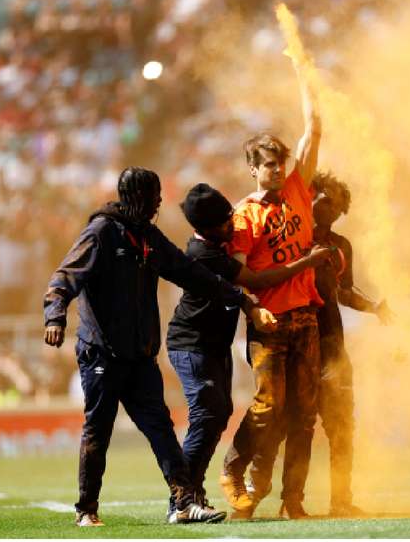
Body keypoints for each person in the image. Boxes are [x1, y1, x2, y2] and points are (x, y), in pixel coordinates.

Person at [43, 167, 277, 527]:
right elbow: (65, 276)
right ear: (137, 198)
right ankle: (86, 509)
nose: (159, 203)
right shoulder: (101, 233)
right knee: (98, 429)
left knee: (161, 429)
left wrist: (240, 299)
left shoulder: (148, 238)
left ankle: (183, 502)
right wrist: (55, 315)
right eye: (153, 196)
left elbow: (189, 272)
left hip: (139, 354)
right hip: (102, 353)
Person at [165, 183, 332, 514]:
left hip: (214, 344)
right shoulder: (205, 254)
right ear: (206, 228)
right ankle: (183, 498)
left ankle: (193, 494)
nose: (233, 225)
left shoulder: (220, 244)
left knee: (221, 413)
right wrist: (306, 262)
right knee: (208, 413)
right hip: (191, 343)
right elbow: (255, 282)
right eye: (225, 221)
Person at [250, 171, 393, 516]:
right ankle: (277, 499)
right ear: (308, 197)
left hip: (331, 346)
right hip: (291, 341)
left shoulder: (341, 247)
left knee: (341, 424)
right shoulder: (289, 237)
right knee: (291, 422)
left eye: (335, 205)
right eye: (322, 199)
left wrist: (373, 306)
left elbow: (343, 290)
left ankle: (340, 501)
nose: (326, 208)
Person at [220, 51, 324, 520]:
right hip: (268, 320)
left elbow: (314, 129)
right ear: (253, 168)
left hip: (305, 315)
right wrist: (249, 308)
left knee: (305, 414)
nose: (278, 170)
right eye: (268, 164)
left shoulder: (300, 188)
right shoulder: (245, 214)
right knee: (267, 408)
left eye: (281, 162)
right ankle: (233, 470)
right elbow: (238, 273)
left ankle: (293, 501)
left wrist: (305, 77)